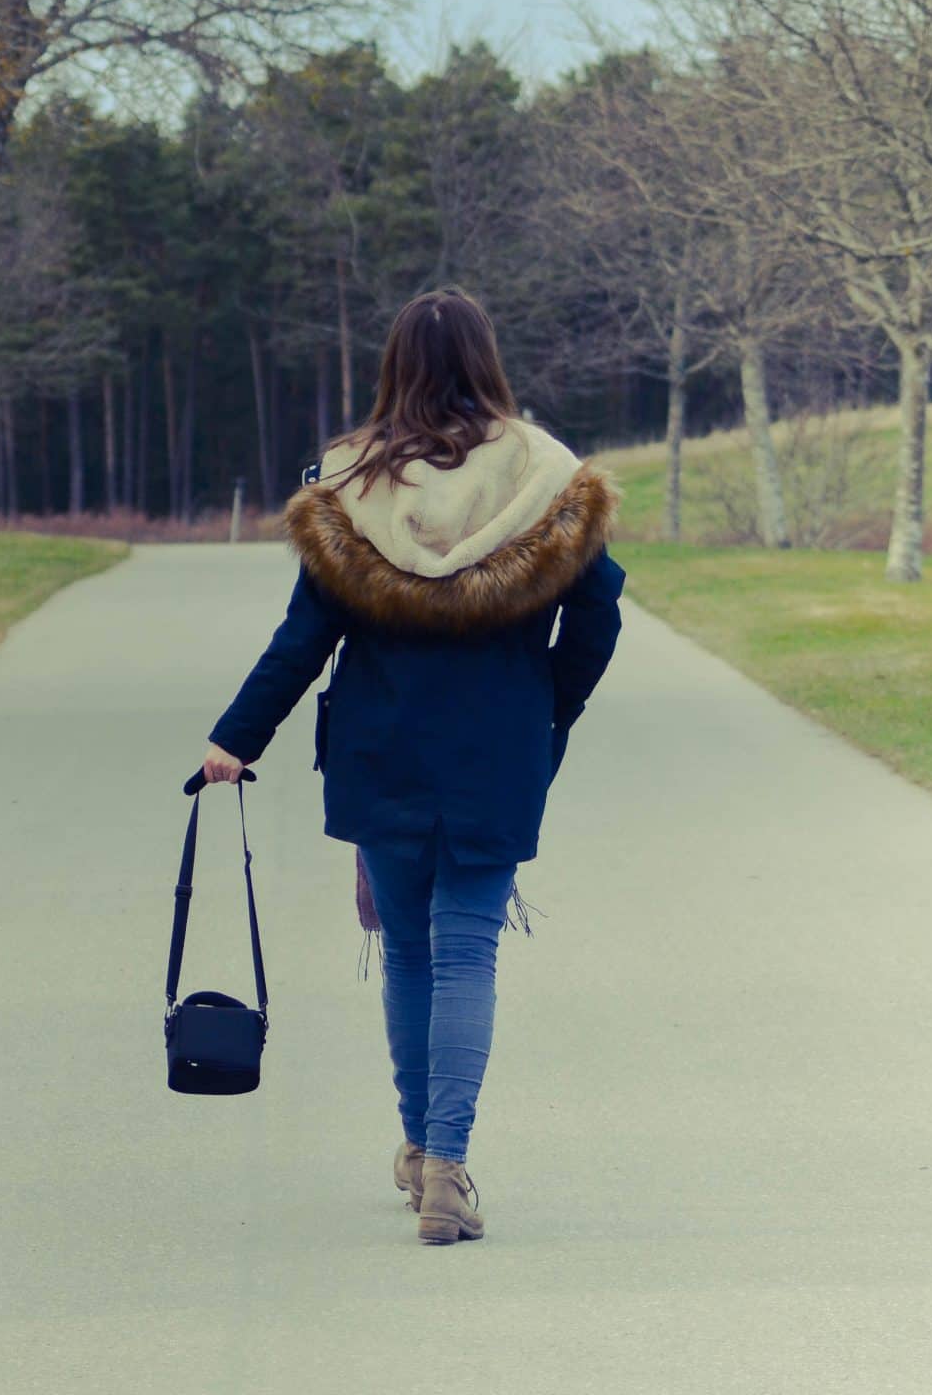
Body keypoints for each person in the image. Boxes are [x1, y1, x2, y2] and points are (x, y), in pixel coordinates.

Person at [200, 289, 624, 1246]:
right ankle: (446, 1166)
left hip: (379, 749)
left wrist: (238, 737)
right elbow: (598, 617)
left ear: (395, 367)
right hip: (498, 752)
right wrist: (548, 706)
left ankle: (417, 1147)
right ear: (488, 360)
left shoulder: (349, 484)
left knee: (409, 948)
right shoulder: (547, 477)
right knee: (467, 946)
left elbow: (302, 638)